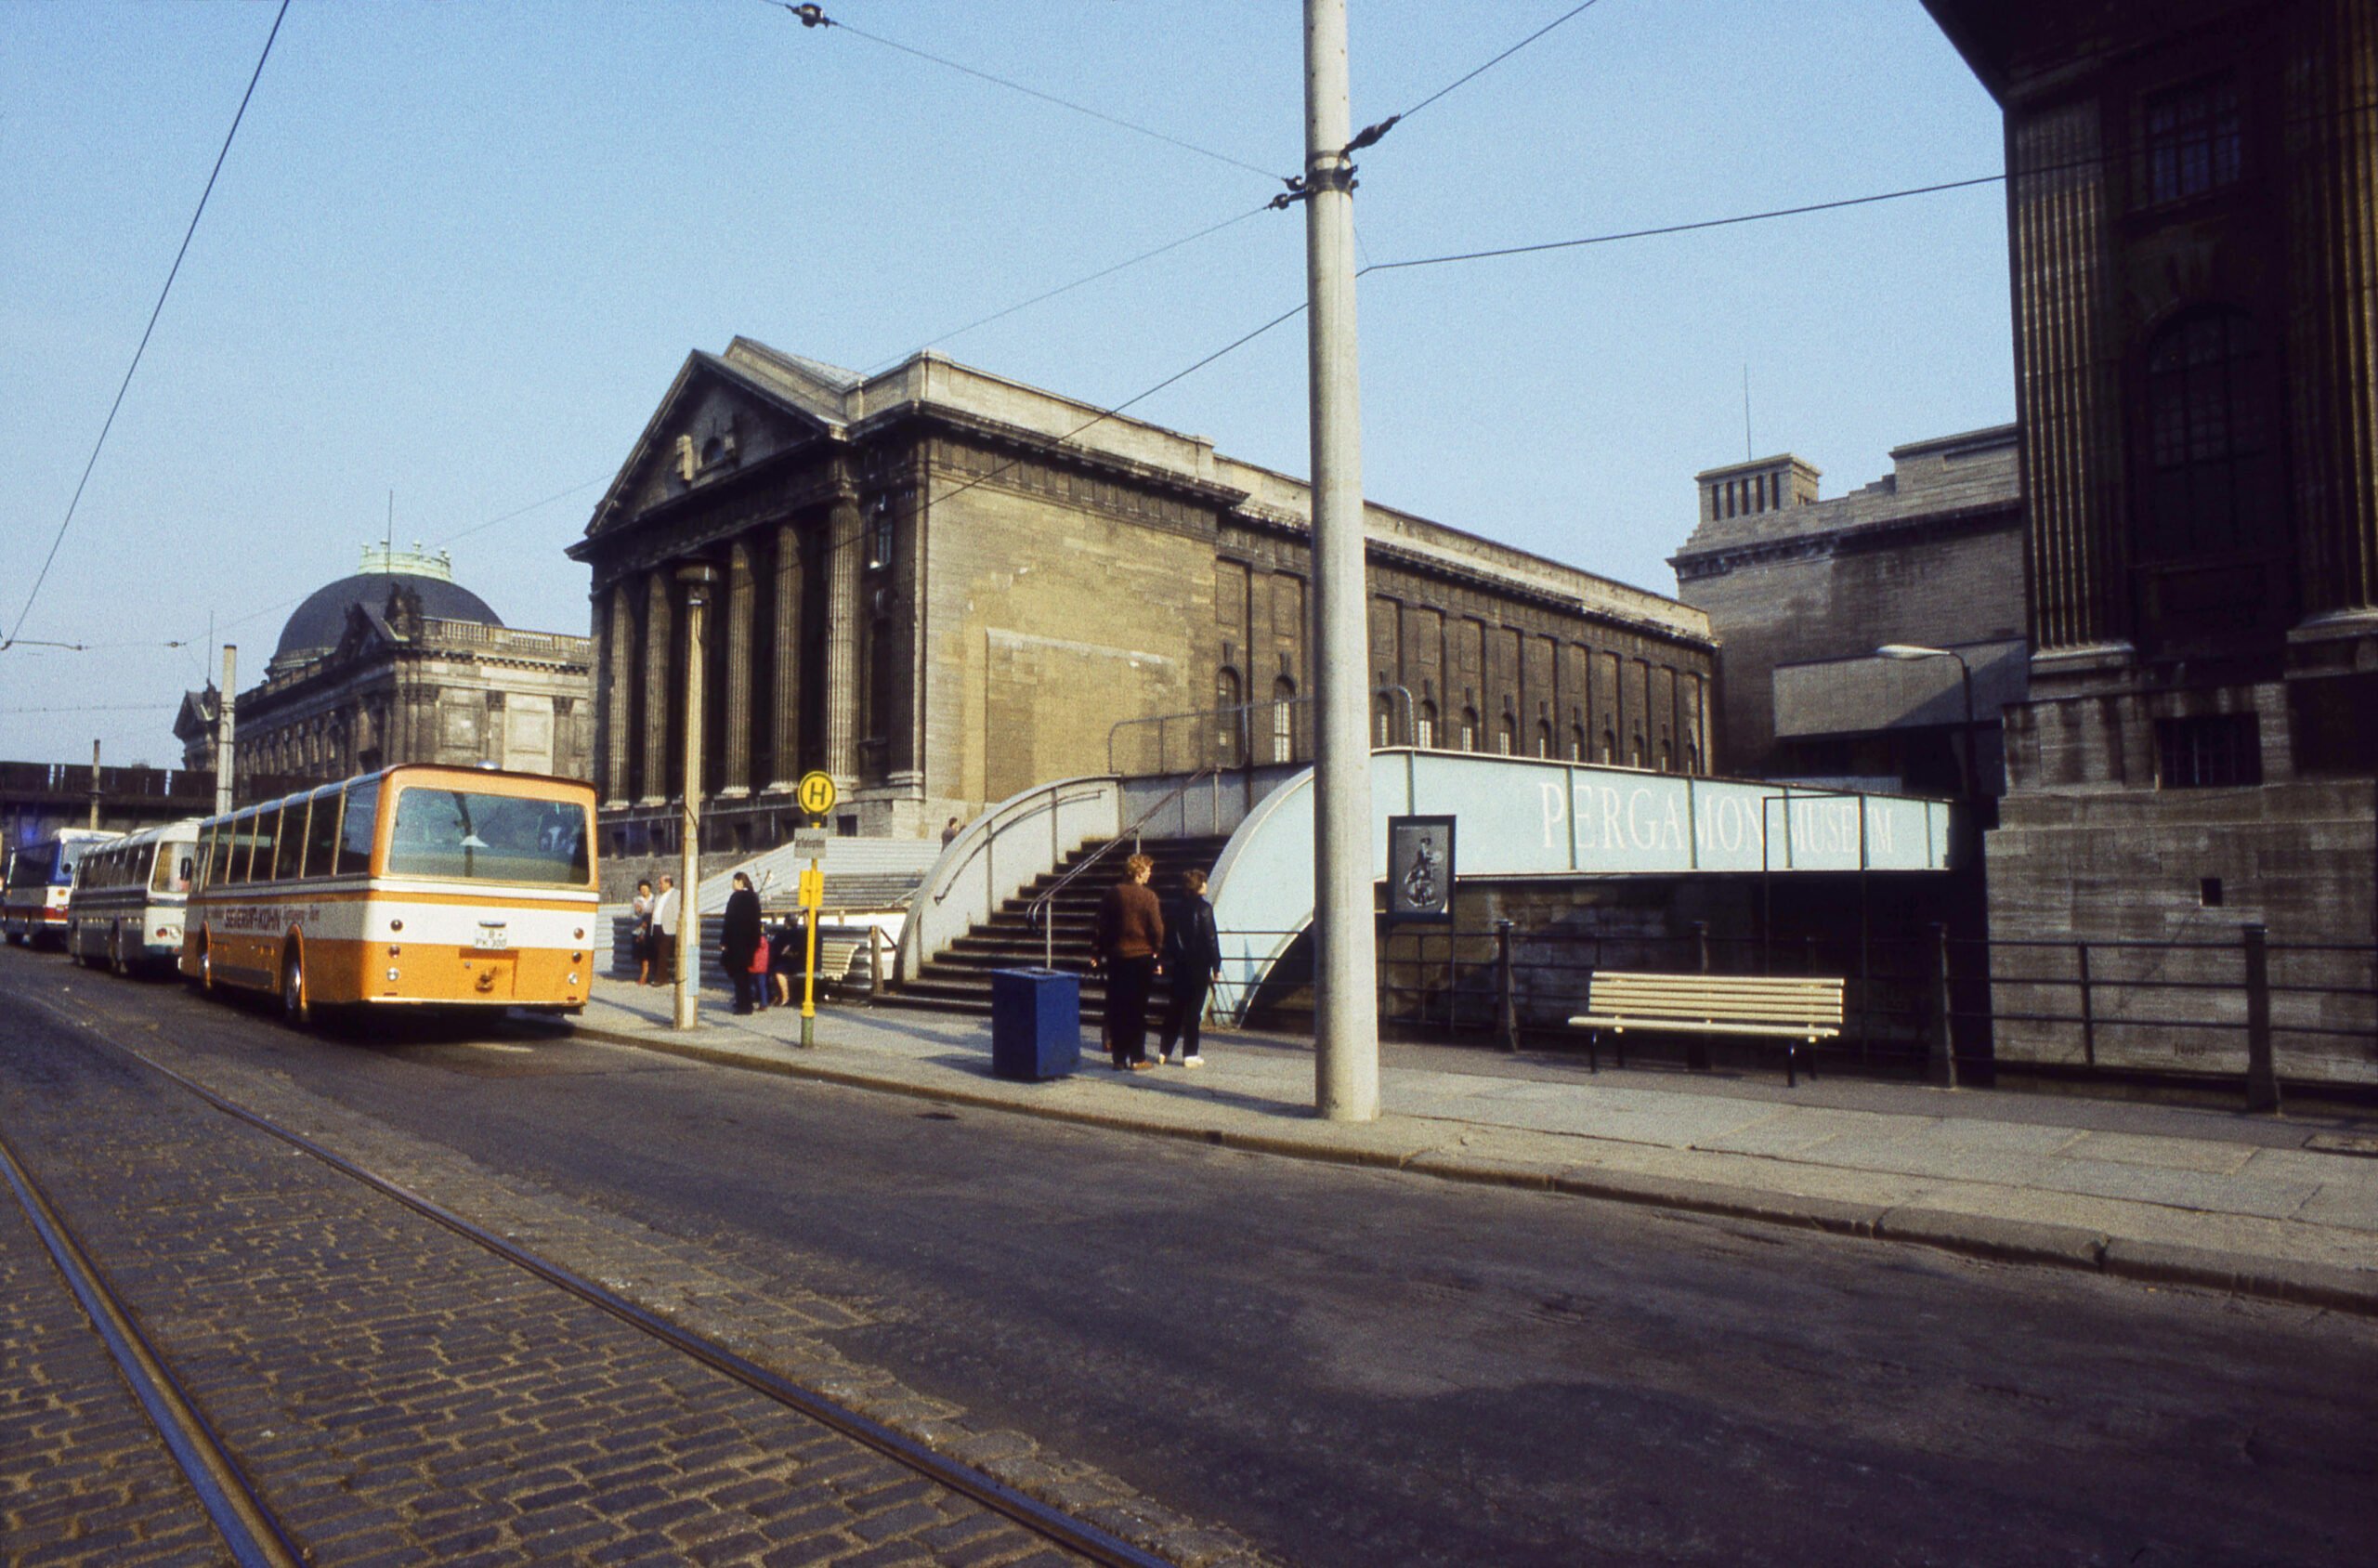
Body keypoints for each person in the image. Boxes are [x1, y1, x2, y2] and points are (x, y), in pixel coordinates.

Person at [1090, 853, 1163, 1072]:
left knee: (1118, 1007)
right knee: (1137, 1009)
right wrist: (1157, 951)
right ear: (1139, 872)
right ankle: (1137, 1057)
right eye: (1148, 870)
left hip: (1117, 956)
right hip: (1141, 957)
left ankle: (1118, 1058)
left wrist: (1097, 951)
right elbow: (1157, 928)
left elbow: (1101, 926)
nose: (1150, 874)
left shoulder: (1112, 894)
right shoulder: (1149, 897)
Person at [1156, 867, 1222, 1066]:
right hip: (1199, 965)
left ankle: (1164, 1050)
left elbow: (1168, 937)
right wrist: (1216, 964)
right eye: (1204, 882)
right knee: (1193, 1011)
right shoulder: (1204, 909)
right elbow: (1211, 939)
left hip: (1179, 964)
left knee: (1175, 1007)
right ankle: (1190, 1053)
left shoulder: (1174, 908)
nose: (1206, 885)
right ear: (1199, 885)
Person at [722, 871, 764, 1015]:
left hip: (736, 942)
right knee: (745, 974)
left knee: (739, 975)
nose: (732, 884)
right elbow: (757, 921)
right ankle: (747, 1003)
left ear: (740, 882)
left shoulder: (735, 898)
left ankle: (742, 1005)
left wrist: (724, 941)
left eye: (734, 881)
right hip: (749, 943)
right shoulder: (753, 897)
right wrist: (756, 942)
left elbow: (728, 921)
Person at [768, 911, 804, 1008]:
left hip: (792, 962)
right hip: (792, 961)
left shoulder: (785, 933)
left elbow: (775, 946)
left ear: (786, 922)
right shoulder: (798, 933)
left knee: (777, 971)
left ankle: (785, 997)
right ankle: (778, 995)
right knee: (774, 968)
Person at [648, 874, 678, 987]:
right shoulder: (658, 896)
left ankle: (660, 978)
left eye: (661, 883)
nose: (659, 885)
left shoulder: (676, 894)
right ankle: (661, 976)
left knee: (663, 952)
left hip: (668, 927)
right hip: (656, 926)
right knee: (657, 952)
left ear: (668, 883)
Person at [631, 879, 655, 986]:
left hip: (650, 930)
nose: (644, 891)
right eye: (642, 889)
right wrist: (640, 919)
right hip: (638, 930)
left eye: (646, 888)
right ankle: (644, 973)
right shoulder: (636, 900)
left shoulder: (655, 900)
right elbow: (632, 915)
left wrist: (647, 922)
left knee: (647, 953)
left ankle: (644, 975)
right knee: (639, 954)